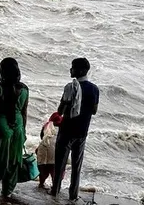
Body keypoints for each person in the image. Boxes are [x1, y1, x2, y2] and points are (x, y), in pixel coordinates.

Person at [50, 58, 99, 201]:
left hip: (66, 130)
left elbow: (60, 110)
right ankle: (73, 194)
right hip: (82, 131)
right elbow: (94, 111)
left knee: (60, 164)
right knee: (77, 166)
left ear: (81, 70)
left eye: (73, 68)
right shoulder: (94, 89)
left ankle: (55, 190)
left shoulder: (69, 87)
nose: (70, 70)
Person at [0, 57, 29, 197]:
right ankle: (7, 191)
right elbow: (24, 112)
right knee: (13, 161)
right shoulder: (25, 89)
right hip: (18, 128)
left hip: (0, 128)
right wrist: (23, 131)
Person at [36, 112, 62, 189]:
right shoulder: (62, 128)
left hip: (43, 149)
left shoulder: (46, 125)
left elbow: (42, 137)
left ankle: (41, 183)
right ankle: (55, 186)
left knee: (43, 169)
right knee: (54, 170)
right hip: (55, 151)